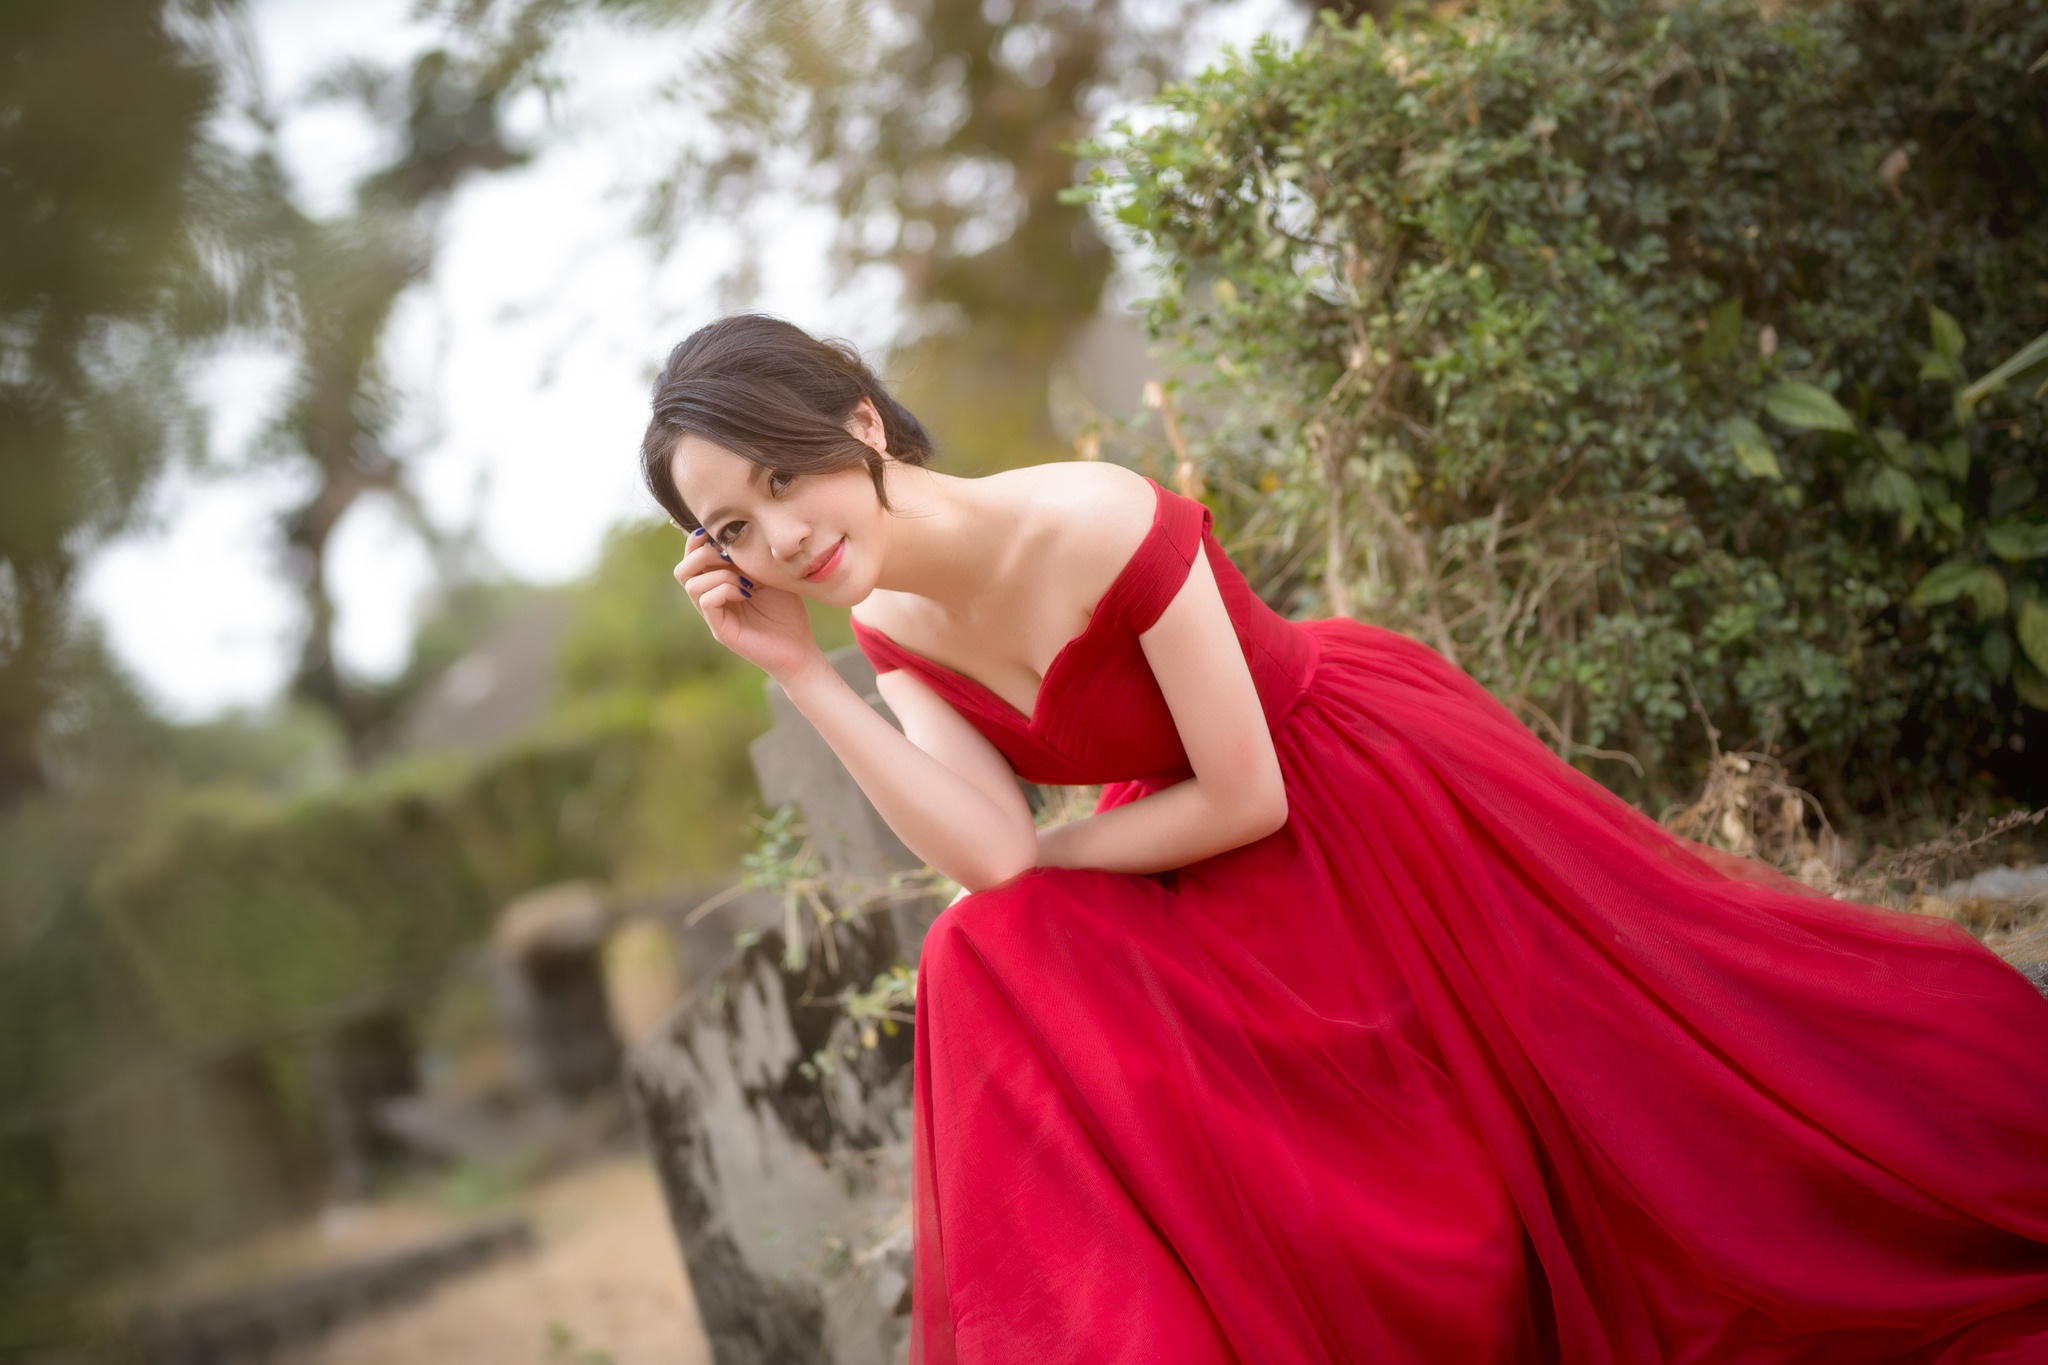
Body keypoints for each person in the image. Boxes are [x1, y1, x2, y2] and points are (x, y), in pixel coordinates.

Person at [644, 313, 2048, 1364]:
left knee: (1650, 1121)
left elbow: (1238, 795)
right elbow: (991, 865)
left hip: (1357, 794)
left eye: (784, 477)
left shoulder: (1096, 520)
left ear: (862, 420)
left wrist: (1029, 872)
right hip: (1189, 853)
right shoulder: (885, 624)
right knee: (979, 961)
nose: (780, 534)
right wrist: (804, 673)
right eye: (734, 525)